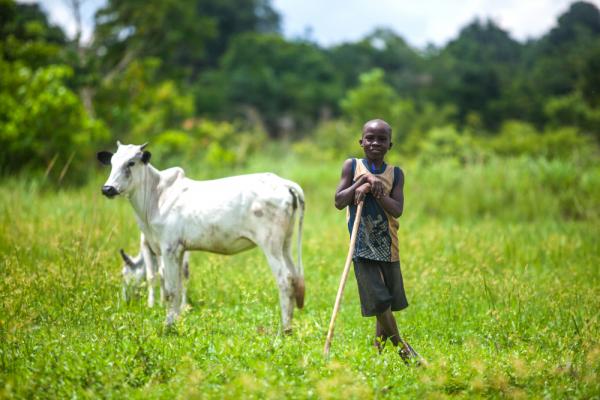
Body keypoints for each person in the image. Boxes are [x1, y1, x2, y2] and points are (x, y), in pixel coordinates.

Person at [334, 118, 418, 363]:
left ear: (390, 144)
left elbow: (397, 209)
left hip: (388, 246)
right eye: (370, 138)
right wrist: (363, 181)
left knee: (387, 304)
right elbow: (339, 201)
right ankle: (403, 349)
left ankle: (377, 353)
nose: (375, 143)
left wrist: (376, 190)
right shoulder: (352, 166)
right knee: (379, 301)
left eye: (382, 139)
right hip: (361, 247)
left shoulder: (396, 174)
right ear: (361, 142)